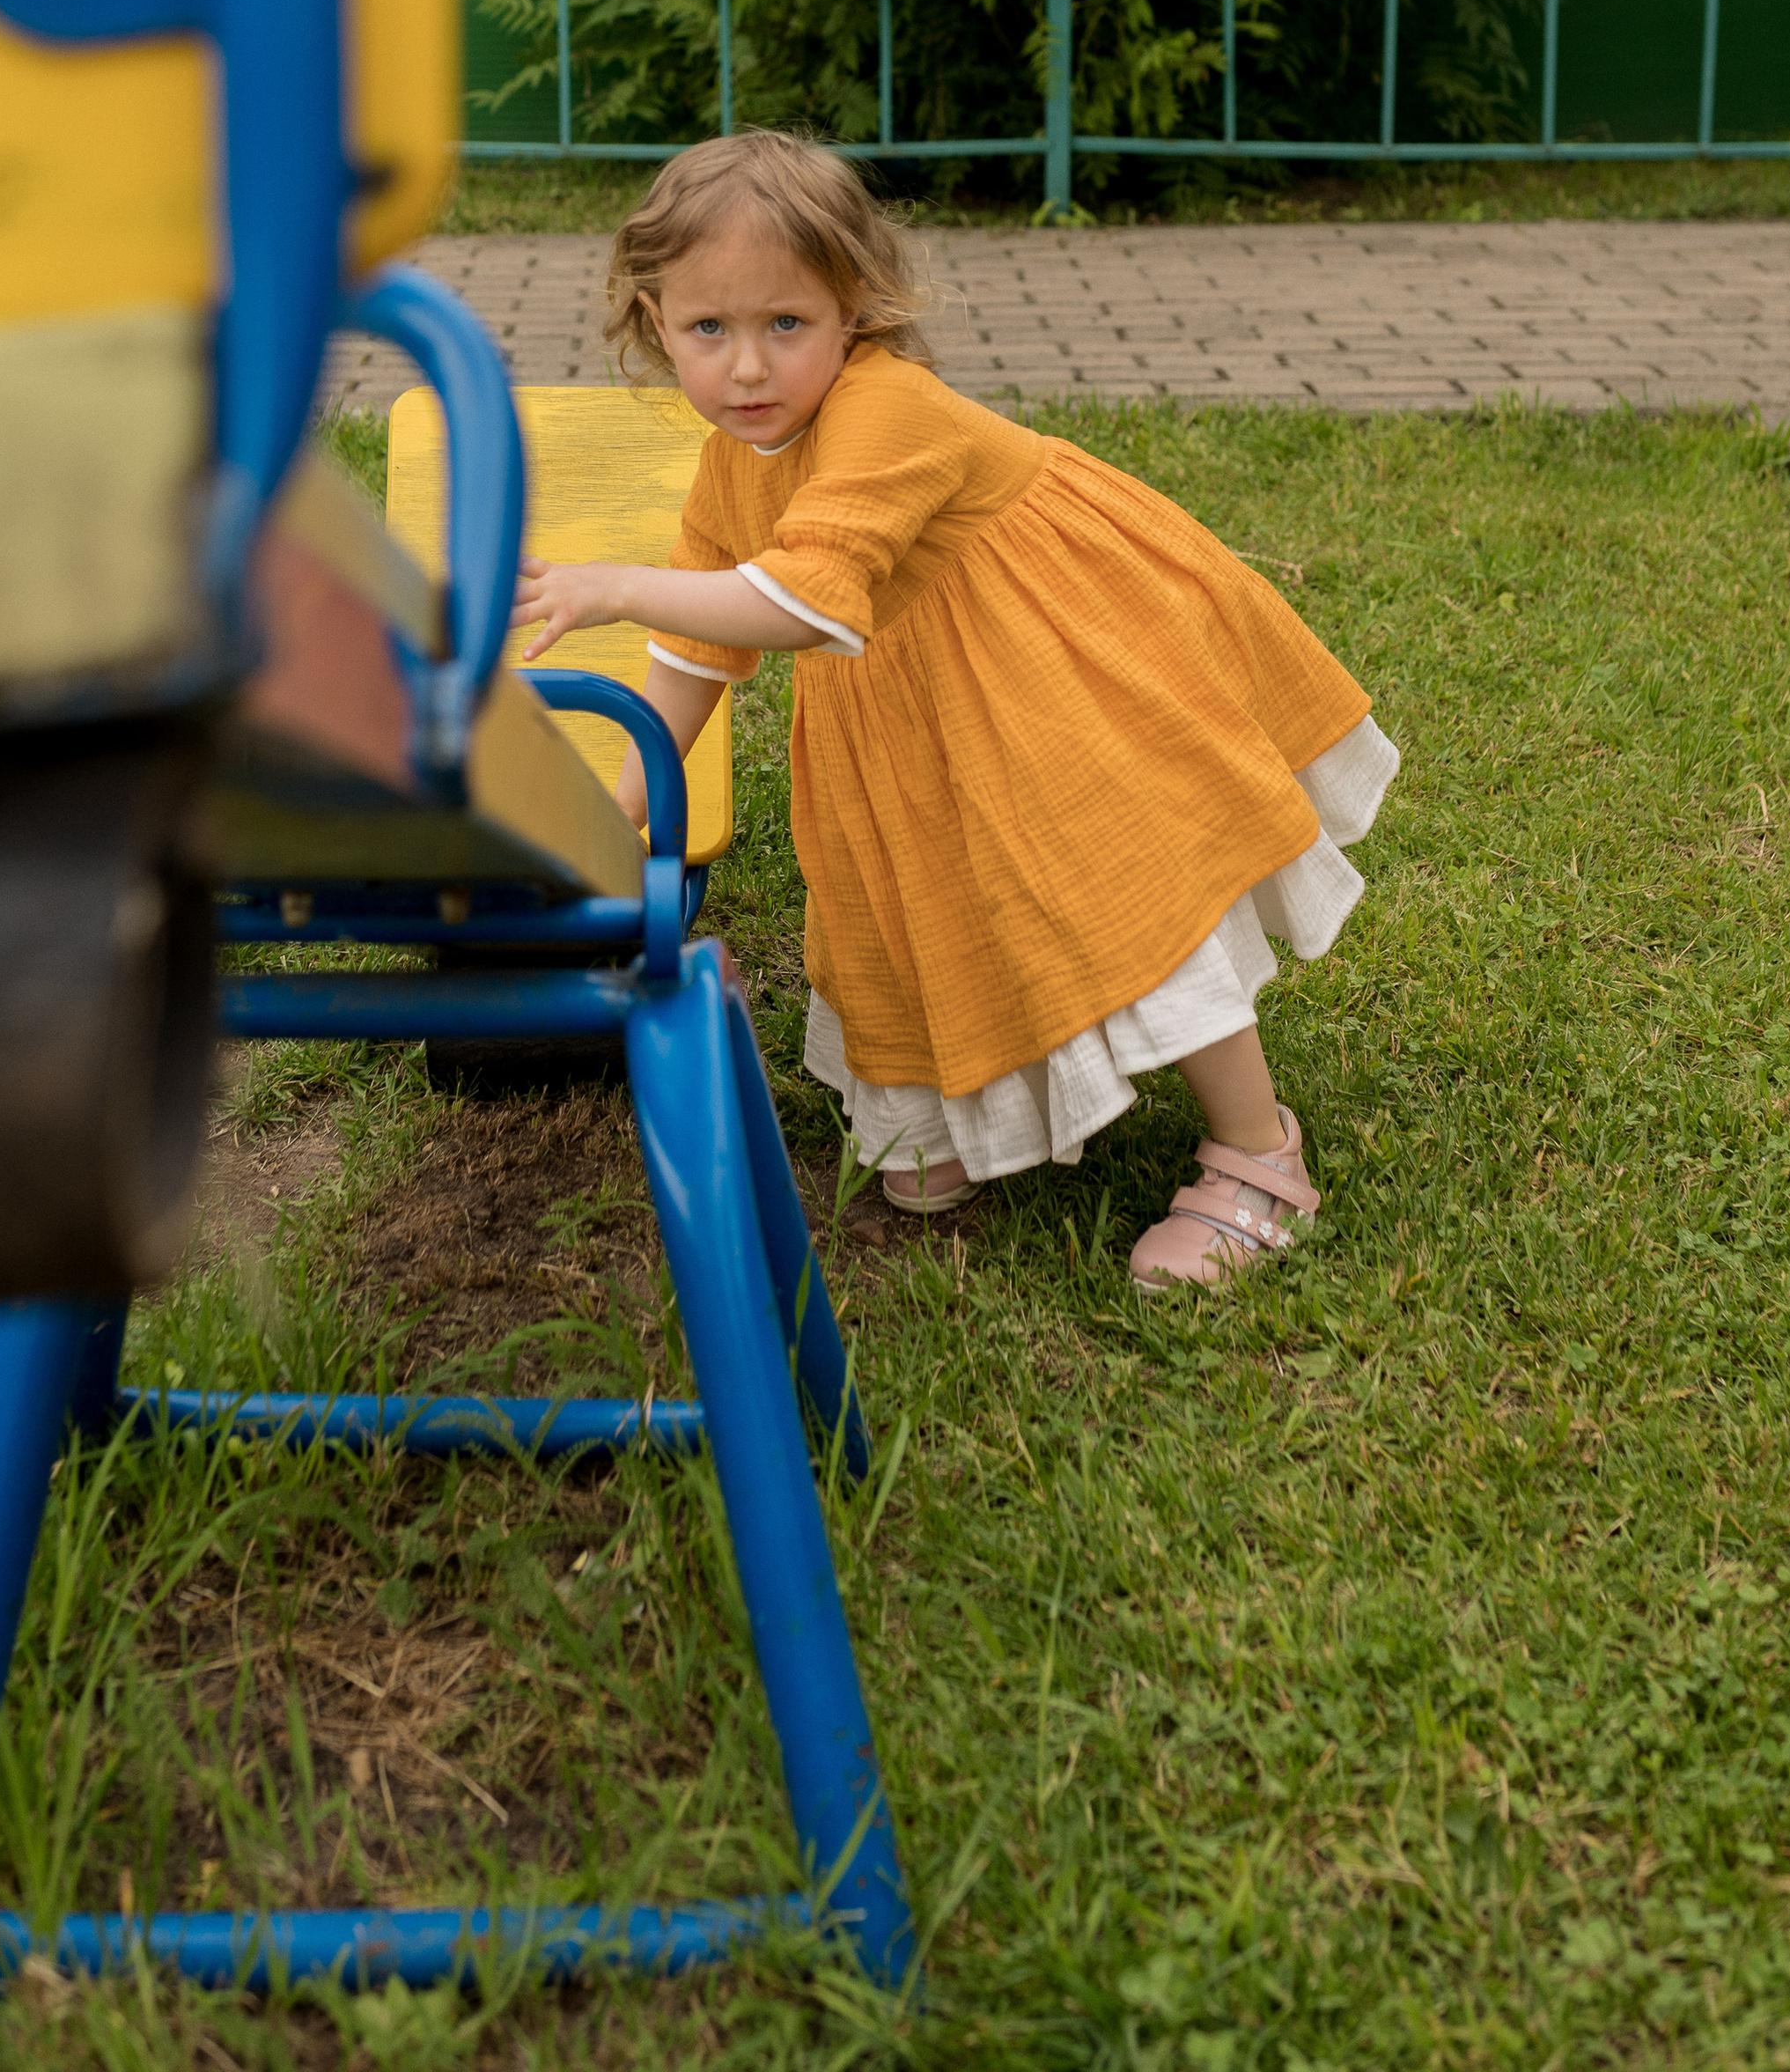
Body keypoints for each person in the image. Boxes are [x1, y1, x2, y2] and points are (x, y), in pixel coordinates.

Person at [512, 131, 1396, 1291]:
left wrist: (613, 585)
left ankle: (1258, 1154)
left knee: (1111, 898)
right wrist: (620, 817)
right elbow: (696, 648)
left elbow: (802, 599)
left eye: (788, 324)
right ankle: (943, 1124)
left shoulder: (890, 408)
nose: (747, 370)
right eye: (708, 331)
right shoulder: (740, 457)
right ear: (653, 320)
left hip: (1040, 658)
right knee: (903, 898)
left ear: (855, 310)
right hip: (899, 703)